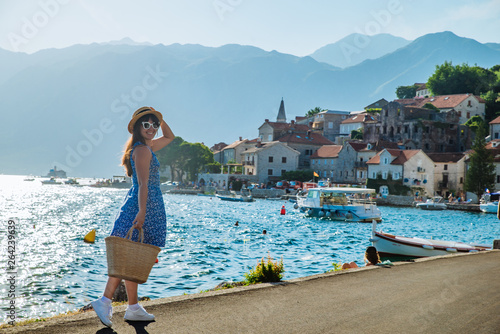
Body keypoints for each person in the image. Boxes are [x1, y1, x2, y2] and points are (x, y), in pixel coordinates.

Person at [91, 106, 174, 328]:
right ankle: (106, 300)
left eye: (154, 125)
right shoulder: (143, 150)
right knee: (127, 257)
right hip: (143, 205)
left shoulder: (147, 147)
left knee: (133, 257)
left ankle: (133, 307)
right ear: (138, 127)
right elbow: (144, 184)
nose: (152, 129)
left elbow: (170, 136)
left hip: (144, 205)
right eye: (146, 124)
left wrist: (160, 117)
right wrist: (142, 212)